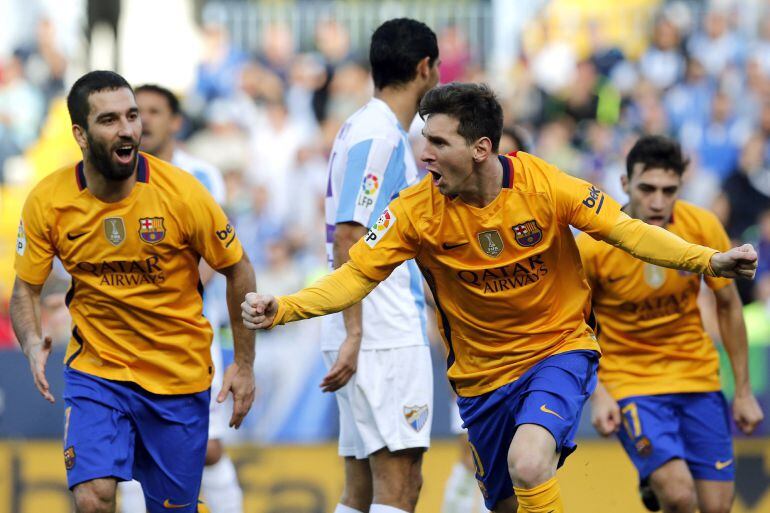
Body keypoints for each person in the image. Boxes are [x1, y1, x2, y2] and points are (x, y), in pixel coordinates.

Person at [241, 82, 758, 513]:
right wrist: (285, 307)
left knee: (530, 461)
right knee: (511, 501)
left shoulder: (543, 185)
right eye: (424, 140)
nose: (424, 154)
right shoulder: (415, 210)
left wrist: (706, 260)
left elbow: (628, 232)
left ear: (481, 149)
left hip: (558, 350)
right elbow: (354, 276)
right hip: (482, 379)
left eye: (439, 143)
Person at [11, 70, 256, 513]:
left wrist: (244, 361)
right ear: (80, 134)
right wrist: (30, 340)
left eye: (132, 116)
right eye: (109, 120)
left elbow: (239, 268)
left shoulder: (182, 192)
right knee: (94, 496)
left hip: (176, 376)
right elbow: (24, 288)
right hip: (97, 373)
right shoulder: (48, 200)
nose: (126, 129)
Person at [579, 135, 764, 513]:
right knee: (680, 495)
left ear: (682, 186)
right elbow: (573, 326)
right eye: (647, 188)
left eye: (669, 190)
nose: (658, 202)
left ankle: (654, 479)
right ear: (625, 184)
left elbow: (728, 306)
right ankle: (659, 477)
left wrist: (743, 391)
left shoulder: (701, 226)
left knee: (716, 507)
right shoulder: (594, 244)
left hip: (697, 376)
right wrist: (598, 395)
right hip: (631, 382)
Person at [318, 18, 439, 513]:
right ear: (425, 69)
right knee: (401, 482)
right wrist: (355, 331)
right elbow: (351, 232)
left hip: (364, 322)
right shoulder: (381, 137)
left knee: (362, 487)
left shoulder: (364, 126)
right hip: (379, 328)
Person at [112, 84, 244, 513]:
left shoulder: (200, 175)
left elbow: (215, 251)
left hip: (189, 330)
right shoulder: (114, 175)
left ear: (175, 121)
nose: (143, 120)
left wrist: (165, 301)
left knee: (207, 448)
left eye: (153, 111)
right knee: (135, 446)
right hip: (127, 337)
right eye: (136, 111)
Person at [441, 124, 530, 513]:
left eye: (506, 157)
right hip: (474, 362)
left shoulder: (537, 217)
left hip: (531, 359)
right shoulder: (450, 218)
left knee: (527, 459)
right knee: (474, 454)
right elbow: (436, 294)